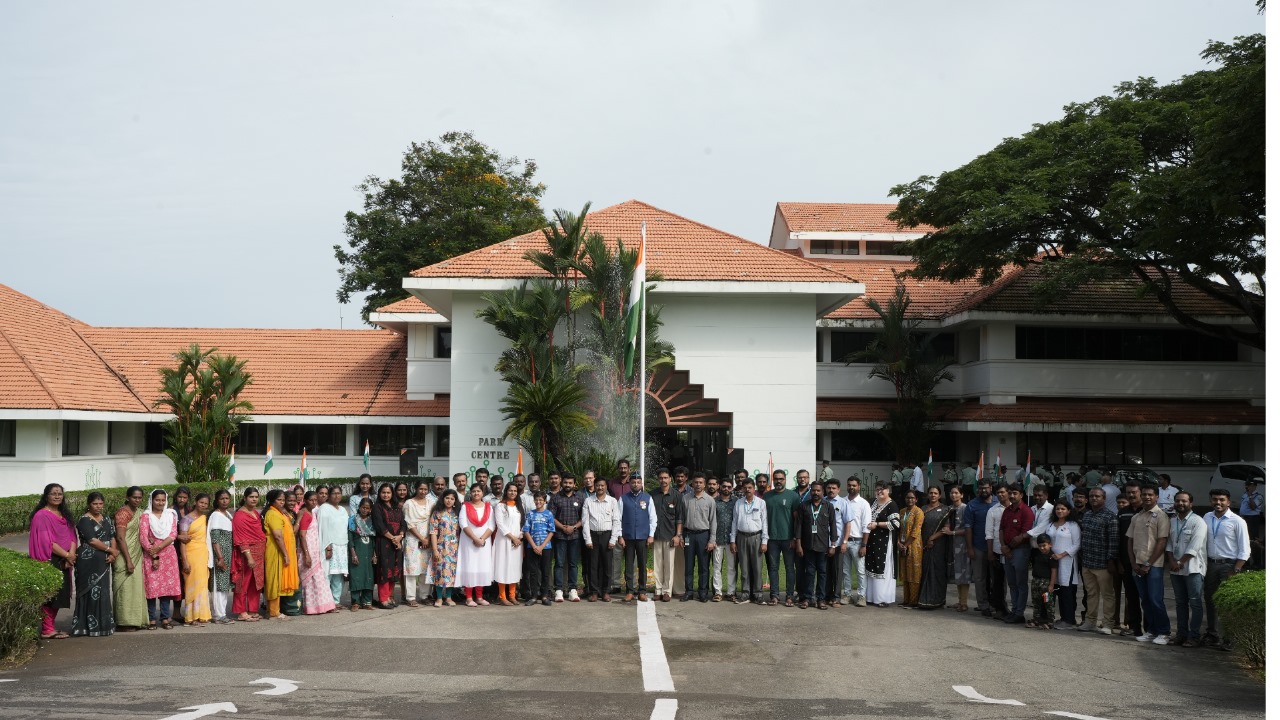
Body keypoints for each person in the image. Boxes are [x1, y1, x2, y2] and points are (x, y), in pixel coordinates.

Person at [1202, 488, 1250, 650]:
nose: (1218, 503)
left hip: (1229, 566)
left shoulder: (1237, 521)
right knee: (1210, 601)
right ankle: (1212, 634)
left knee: (1227, 603)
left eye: (1222, 500)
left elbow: (1245, 549)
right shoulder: (1206, 517)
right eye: (1215, 499)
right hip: (1210, 564)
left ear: (1228, 502)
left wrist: (1236, 570)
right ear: (1211, 501)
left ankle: (1229, 638)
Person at [29, 483, 78, 639]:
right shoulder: (42, 515)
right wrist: (67, 555)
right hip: (50, 559)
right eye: (53, 493)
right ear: (46, 496)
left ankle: (50, 627)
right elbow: (46, 541)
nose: (57, 496)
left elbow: (72, 536)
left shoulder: (64, 514)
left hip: (66, 558)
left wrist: (71, 554)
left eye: (60, 494)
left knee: (60, 595)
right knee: (50, 596)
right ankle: (47, 629)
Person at [1127, 483, 1171, 644]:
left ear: (1157, 497)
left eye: (1150, 495)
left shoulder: (1161, 516)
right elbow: (1130, 541)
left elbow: (1162, 541)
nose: (1146, 497)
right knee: (1145, 600)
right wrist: (1133, 563)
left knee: (1155, 600)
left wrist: (1148, 563)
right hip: (1137, 566)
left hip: (1154, 566)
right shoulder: (1136, 517)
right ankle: (1151, 631)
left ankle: (1164, 632)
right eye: (1144, 494)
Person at [72, 492, 117, 637]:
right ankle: (85, 627)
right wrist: (110, 550)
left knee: (103, 592)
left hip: (103, 561)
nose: (98, 506)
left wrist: (112, 553)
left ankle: (103, 626)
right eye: (94, 504)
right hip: (88, 561)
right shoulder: (84, 520)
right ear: (88, 504)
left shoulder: (107, 519)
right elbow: (92, 540)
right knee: (89, 592)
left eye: (100, 504)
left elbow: (112, 536)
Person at [1167, 491, 1207, 647]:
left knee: (1195, 603)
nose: (1180, 503)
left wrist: (1180, 562)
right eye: (1177, 501)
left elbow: (1195, 546)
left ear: (1191, 503)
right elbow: (1169, 543)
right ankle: (1181, 634)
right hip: (1175, 569)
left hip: (1193, 569)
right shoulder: (1172, 521)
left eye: (1184, 501)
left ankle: (1194, 636)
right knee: (1180, 603)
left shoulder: (1198, 522)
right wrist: (1171, 561)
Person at [1077, 488, 1118, 635]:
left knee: (1107, 595)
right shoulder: (1087, 515)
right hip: (1087, 562)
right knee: (1091, 594)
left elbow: (1113, 541)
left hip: (1103, 564)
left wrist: (1111, 560)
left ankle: (1107, 624)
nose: (1094, 498)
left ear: (1104, 498)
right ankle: (1090, 622)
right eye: (1092, 496)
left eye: (1097, 496)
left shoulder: (1110, 517)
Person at [140, 488, 180, 630]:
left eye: (163, 500)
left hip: (168, 554)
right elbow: (144, 537)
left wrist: (159, 547)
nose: (160, 502)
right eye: (157, 500)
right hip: (151, 555)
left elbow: (173, 534)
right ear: (152, 500)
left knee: (166, 589)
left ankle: (165, 618)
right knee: (151, 588)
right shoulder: (146, 516)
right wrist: (154, 553)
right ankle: (151, 618)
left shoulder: (171, 515)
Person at [111, 486, 149, 631]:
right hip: (124, 554)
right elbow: (120, 538)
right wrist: (128, 560)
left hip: (137, 554)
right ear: (127, 497)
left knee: (136, 587)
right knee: (124, 588)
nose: (137, 500)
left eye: (140, 498)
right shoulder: (122, 513)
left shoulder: (140, 513)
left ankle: (136, 620)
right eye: (134, 497)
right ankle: (124, 622)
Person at [794, 480, 835, 609]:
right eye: (813, 490)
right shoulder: (804, 506)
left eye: (818, 490)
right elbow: (798, 526)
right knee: (809, 572)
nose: (815, 493)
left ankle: (821, 599)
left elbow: (833, 526)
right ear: (810, 491)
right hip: (808, 546)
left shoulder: (828, 506)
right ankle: (807, 598)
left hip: (823, 547)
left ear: (823, 492)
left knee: (822, 573)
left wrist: (833, 545)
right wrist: (799, 545)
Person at [581, 477, 621, 602]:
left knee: (607, 565)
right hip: (593, 535)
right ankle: (594, 592)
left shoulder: (612, 501)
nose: (600, 488)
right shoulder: (588, 501)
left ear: (606, 487)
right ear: (595, 486)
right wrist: (587, 539)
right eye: (598, 485)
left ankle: (605, 591)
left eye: (602, 485)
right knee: (593, 565)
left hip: (607, 535)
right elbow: (585, 521)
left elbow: (616, 520)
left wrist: (613, 539)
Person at [999, 485, 1035, 624]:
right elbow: (1001, 529)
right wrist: (1003, 546)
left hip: (1020, 550)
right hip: (1007, 551)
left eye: (1015, 493)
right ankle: (1014, 611)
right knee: (1012, 584)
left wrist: (1007, 548)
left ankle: (1019, 613)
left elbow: (1024, 535)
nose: (1012, 496)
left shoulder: (1026, 511)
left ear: (1021, 495)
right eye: (1010, 493)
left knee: (1021, 583)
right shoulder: (1007, 510)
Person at [730, 476, 768, 604]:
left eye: (750, 487)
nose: (748, 490)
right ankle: (745, 593)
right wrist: (733, 540)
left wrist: (764, 541)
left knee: (757, 567)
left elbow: (765, 523)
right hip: (741, 537)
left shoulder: (760, 503)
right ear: (742, 489)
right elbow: (734, 522)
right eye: (745, 488)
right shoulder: (738, 503)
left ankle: (758, 593)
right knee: (744, 567)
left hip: (756, 537)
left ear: (754, 488)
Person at [262, 489, 299, 619]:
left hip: (281, 550)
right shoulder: (272, 514)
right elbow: (278, 536)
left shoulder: (280, 513)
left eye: (283, 500)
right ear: (272, 501)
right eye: (279, 500)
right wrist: (285, 554)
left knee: (278, 579)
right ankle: (273, 611)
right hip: (275, 550)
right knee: (274, 579)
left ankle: (274, 610)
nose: (282, 502)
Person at [763, 470, 798, 606]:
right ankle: (774, 595)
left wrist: (795, 538)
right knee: (773, 568)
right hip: (771, 539)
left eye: (781, 479)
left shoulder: (793, 496)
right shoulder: (766, 496)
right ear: (773, 479)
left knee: (789, 568)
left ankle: (789, 596)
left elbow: (796, 519)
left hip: (788, 539)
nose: (778, 481)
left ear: (785, 479)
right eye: (776, 479)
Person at [620, 472, 657, 602]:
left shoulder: (648, 498)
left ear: (642, 484)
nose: (636, 484)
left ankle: (642, 590)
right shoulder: (623, 499)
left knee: (642, 564)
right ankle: (630, 590)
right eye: (633, 482)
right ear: (630, 484)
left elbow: (653, 518)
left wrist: (651, 535)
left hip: (643, 537)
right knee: (629, 565)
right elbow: (618, 519)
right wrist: (620, 536)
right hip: (628, 537)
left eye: (638, 482)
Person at [298, 491, 337, 615]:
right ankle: (312, 607)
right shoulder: (305, 515)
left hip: (315, 550)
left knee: (319, 579)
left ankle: (323, 606)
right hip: (308, 551)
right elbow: (302, 535)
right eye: (311, 500)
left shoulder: (312, 513)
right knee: (311, 580)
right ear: (305, 500)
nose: (314, 502)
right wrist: (306, 555)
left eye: (315, 500)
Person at [548, 474, 584, 602]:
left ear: (574, 484)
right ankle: (558, 590)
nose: (568, 485)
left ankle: (572, 590)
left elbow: (584, 518)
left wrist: (573, 527)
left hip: (575, 536)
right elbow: (551, 516)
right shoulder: (555, 498)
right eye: (566, 482)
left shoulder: (580, 497)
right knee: (559, 563)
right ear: (562, 483)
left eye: (570, 483)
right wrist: (563, 528)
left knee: (573, 564)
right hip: (559, 536)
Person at [864, 481, 901, 607]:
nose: (879, 492)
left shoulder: (892, 505)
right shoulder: (874, 503)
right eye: (877, 489)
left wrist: (878, 524)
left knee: (883, 569)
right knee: (871, 567)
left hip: (885, 542)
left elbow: (896, 524)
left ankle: (882, 598)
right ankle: (871, 597)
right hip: (872, 541)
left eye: (882, 489)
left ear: (888, 491)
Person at [1045, 499, 1081, 629]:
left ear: (1068, 511)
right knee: (1057, 589)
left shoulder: (1072, 525)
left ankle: (1069, 620)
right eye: (1058, 509)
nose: (1060, 511)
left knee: (1067, 591)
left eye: (1063, 509)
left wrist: (1062, 554)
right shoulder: (1050, 525)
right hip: (1052, 562)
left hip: (1067, 562)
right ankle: (1062, 617)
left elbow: (1077, 544)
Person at [231, 488, 266, 622]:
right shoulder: (240, 515)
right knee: (243, 584)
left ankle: (253, 609)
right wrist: (249, 556)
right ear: (245, 498)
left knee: (256, 584)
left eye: (256, 497)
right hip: (246, 555)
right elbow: (240, 538)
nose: (254, 499)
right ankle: (241, 612)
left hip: (259, 554)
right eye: (251, 497)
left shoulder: (255, 513)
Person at [681, 472, 716, 603]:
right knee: (689, 565)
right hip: (689, 534)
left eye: (700, 482)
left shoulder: (710, 500)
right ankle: (689, 591)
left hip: (703, 535)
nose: (698, 484)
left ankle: (703, 592)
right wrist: (681, 536)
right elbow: (682, 518)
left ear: (704, 484)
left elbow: (713, 521)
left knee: (703, 566)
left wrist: (712, 540)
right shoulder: (685, 499)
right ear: (692, 483)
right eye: (696, 482)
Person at [459, 483, 496, 606]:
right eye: (474, 491)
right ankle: (469, 597)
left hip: (483, 543)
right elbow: (463, 524)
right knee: (470, 567)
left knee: (481, 567)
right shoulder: (466, 506)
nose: (476, 493)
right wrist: (475, 538)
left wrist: (482, 539)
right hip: (469, 542)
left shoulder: (488, 507)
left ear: (482, 493)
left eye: (478, 491)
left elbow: (492, 525)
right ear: (471, 493)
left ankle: (479, 597)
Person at [178, 493, 212, 626]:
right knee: (192, 584)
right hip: (190, 554)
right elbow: (182, 541)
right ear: (196, 502)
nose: (203, 505)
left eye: (206, 503)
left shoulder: (205, 518)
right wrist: (185, 560)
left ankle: (202, 615)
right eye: (201, 502)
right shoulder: (186, 519)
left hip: (203, 554)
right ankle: (190, 617)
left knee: (202, 584)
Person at [651, 468, 685, 603]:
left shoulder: (676, 496)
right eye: (661, 478)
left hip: (671, 536)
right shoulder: (652, 495)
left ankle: (667, 591)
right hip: (656, 535)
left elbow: (680, 518)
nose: (663, 480)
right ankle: (658, 590)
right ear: (658, 479)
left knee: (669, 565)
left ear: (670, 479)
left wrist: (678, 535)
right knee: (658, 564)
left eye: (665, 478)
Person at [369, 483, 405, 608]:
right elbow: (379, 526)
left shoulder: (397, 507)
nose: (386, 495)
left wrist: (400, 536)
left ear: (392, 493)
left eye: (388, 492)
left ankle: (389, 596)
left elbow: (403, 524)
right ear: (379, 493)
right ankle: (383, 599)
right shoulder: (377, 507)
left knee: (394, 570)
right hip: (384, 543)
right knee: (384, 570)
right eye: (383, 492)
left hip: (396, 544)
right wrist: (393, 538)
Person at [915, 487, 951, 610]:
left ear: (940, 495)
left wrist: (932, 538)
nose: (933, 495)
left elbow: (946, 528)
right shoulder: (922, 509)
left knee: (937, 571)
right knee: (925, 570)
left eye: (935, 493)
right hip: (923, 544)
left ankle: (937, 599)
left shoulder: (946, 509)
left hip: (939, 545)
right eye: (931, 493)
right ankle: (924, 599)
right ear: (927, 495)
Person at [966, 480, 997, 617]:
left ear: (991, 488)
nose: (983, 491)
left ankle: (996, 604)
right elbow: (968, 528)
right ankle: (983, 605)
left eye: (986, 488)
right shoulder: (972, 505)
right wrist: (970, 548)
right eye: (981, 489)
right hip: (978, 546)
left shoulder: (998, 501)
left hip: (996, 547)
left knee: (997, 579)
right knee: (979, 578)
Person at [316, 485, 350, 610]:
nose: (337, 496)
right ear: (329, 495)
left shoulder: (342, 509)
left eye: (339, 493)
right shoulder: (324, 508)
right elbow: (322, 528)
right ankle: (326, 602)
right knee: (327, 574)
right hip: (330, 545)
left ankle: (336, 600)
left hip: (342, 546)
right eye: (334, 493)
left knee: (338, 575)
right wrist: (327, 546)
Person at [402, 479, 435, 607]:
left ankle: (424, 596)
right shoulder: (409, 504)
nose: (423, 491)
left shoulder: (431, 503)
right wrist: (422, 538)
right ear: (415, 489)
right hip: (413, 540)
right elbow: (409, 524)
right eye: (420, 489)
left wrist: (428, 539)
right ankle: (411, 597)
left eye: (425, 489)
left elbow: (433, 521)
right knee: (411, 568)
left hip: (428, 540)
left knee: (425, 569)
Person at [842, 477, 872, 607]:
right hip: (844, 542)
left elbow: (867, 526)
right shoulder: (842, 501)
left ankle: (861, 596)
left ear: (859, 486)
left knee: (860, 571)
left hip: (858, 542)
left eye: (854, 485)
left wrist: (864, 545)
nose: (851, 487)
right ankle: (847, 595)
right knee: (845, 571)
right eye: (849, 485)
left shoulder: (863, 503)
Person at [522, 490, 556, 606]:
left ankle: (545, 595)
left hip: (546, 547)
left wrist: (541, 547)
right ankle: (534, 596)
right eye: (536, 500)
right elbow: (526, 531)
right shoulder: (530, 514)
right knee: (533, 572)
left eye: (541, 500)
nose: (538, 502)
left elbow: (551, 531)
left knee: (545, 572)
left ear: (545, 501)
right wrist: (534, 546)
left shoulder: (549, 514)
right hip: (532, 548)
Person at [495, 481, 525, 605]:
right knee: (503, 567)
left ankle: (512, 595)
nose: (512, 493)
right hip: (504, 540)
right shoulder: (500, 506)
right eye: (510, 490)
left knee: (514, 567)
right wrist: (513, 537)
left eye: (515, 491)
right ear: (506, 491)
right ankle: (502, 596)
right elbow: (500, 525)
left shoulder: (518, 506)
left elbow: (523, 522)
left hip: (517, 542)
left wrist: (520, 536)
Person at [942, 485, 972, 612]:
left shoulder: (966, 509)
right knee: (957, 573)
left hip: (963, 544)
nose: (953, 495)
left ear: (961, 495)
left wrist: (952, 533)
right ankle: (959, 601)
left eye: (956, 493)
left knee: (964, 573)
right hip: (952, 545)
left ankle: (964, 602)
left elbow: (968, 528)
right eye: (951, 493)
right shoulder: (949, 509)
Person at [207, 489, 235, 624]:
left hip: (228, 554)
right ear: (217, 501)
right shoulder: (216, 516)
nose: (225, 501)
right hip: (220, 555)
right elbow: (215, 539)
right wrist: (220, 558)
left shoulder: (227, 514)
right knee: (219, 585)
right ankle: (218, 615)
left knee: (224, 585)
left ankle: (222, 613)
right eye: (222, 499)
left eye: (227, 498)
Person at [985, 484, 1011, 620]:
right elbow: (989, 533)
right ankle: (1000, 608)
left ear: (1008, 493)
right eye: (998, 493)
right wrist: (990, 552)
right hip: (996, 551)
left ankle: (1016, 609)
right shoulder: (993, 511)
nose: (1000, 495)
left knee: (1014, 582)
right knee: (998, 582)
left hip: (1013, 551)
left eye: (1003, 492)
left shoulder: (1016, 508)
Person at [897, 490, 924, 608]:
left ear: (916, 499)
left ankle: (914, 601)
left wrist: (906, 545)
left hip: (914, 546)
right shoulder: (902, 512)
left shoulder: (919, 512)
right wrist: (899, 543)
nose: (910, 500)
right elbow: (897, 529)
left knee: (914, 573)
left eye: (912, 498)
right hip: (902, 545)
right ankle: (906, 599)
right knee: (905, 572)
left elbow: (915, 531)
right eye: (908, 498)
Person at [348, 498, 376, 610]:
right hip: (357, 551)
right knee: (356, 576)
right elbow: (350, 538)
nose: (365, 510)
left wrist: (374, 555)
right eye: (363, 507)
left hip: (368, 551)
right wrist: (353, 554)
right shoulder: (353, 520)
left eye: (367, 508)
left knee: (368, 576)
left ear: (370, 509)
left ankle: (367, 602)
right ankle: (355, 602)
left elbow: (374, 540)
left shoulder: (372, 521)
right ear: (359, 507)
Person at [711, 479, 736, 602]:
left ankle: (731, 592)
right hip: (717, 539)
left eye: (729, 487)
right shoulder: (714, 502)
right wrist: (712, 538)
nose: (726, 489)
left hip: (731, 540)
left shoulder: (736, 502)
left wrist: (734, 540)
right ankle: (718, 592)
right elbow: (711, 521)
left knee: (731, 567)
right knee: (717, 567)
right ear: (720, 487)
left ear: (732, 488)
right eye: (724, 486)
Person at [1029, 534, 1058, 630]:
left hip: (1046, 583)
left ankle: (1050, 621)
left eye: (1044, 545)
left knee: (1048, 602)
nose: (1042, 548)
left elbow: (1054, 571)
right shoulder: (1037, 554)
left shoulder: (1052, 556)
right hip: (1036, 581)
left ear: (1050, 545)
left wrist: (1051, 585)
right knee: (1036, 601)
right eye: (1040, 546)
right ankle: (1036, 619)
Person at [1238, 480, 1264, 544]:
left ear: (1254, 486)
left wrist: (1250, 495)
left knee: (1252, 537)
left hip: (1252, 518)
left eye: (1250, 486)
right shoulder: (1245, 494)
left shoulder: (1258, 496)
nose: (1247, 487)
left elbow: (1253, 507)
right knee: (1244, 535)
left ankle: (1254, 551)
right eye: (1247, 485)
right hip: (1243, 517)